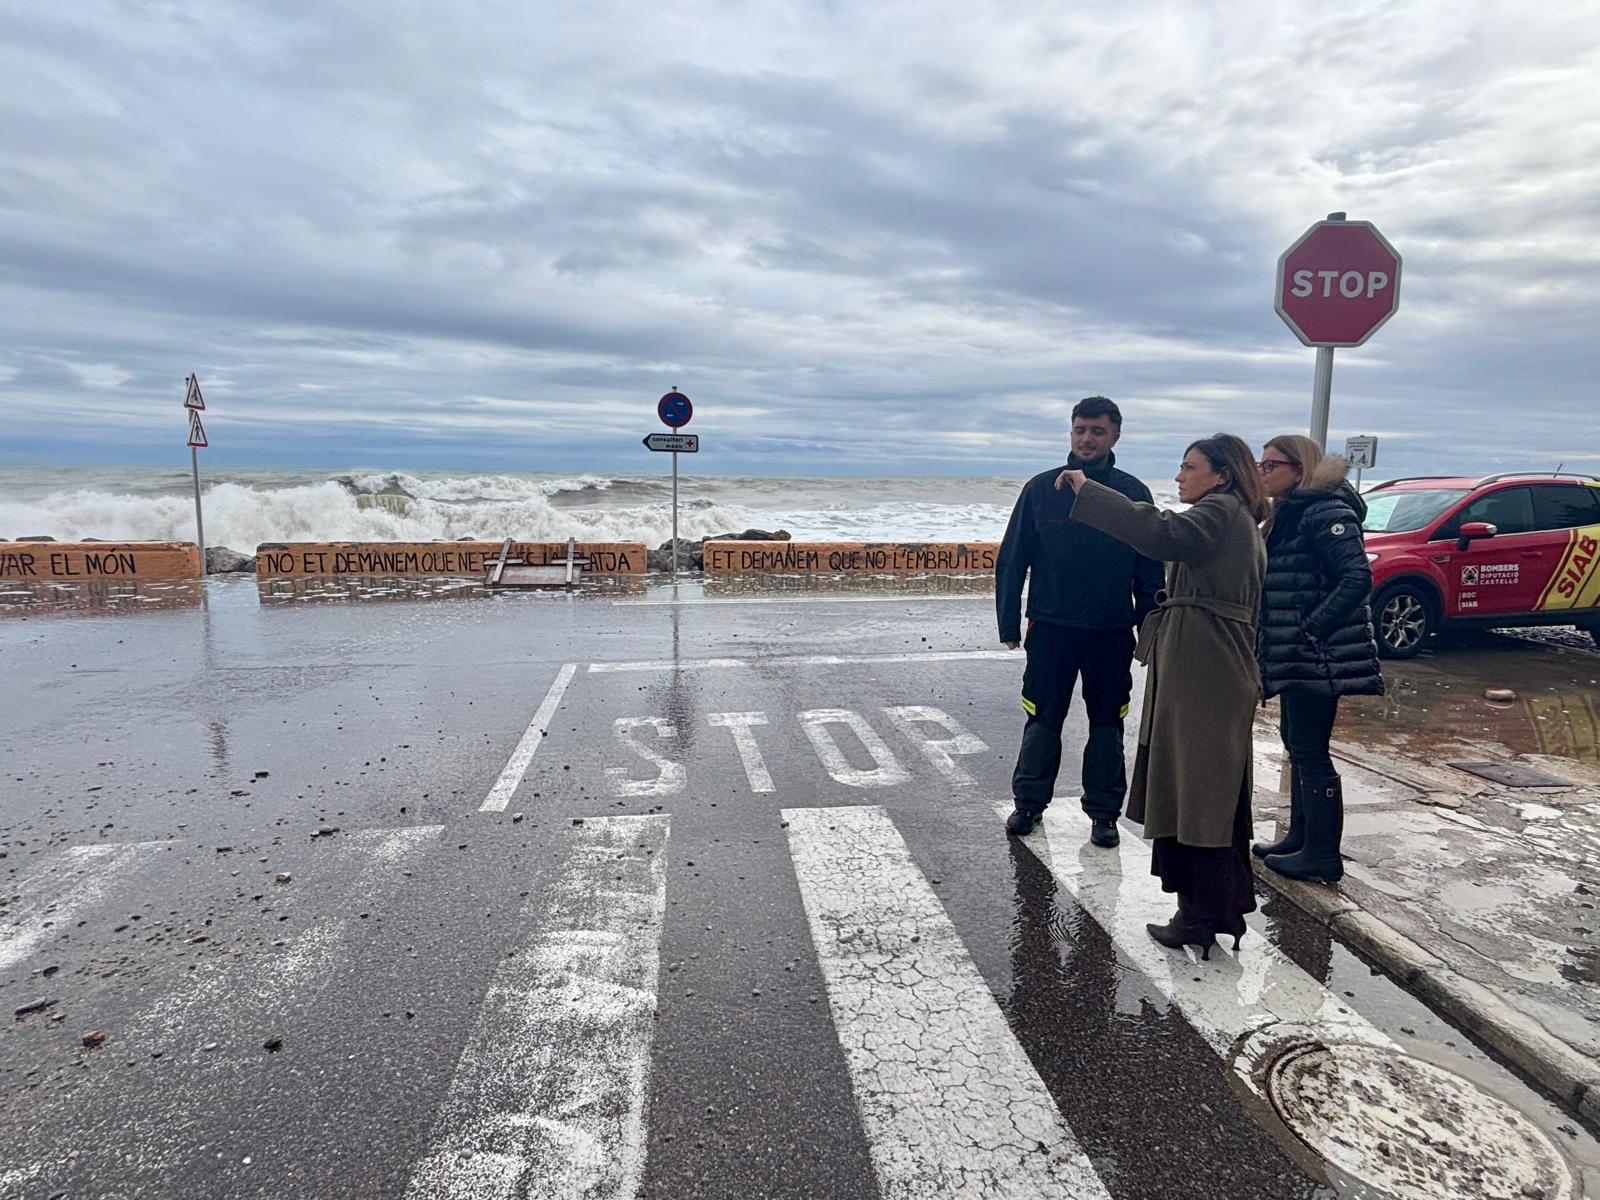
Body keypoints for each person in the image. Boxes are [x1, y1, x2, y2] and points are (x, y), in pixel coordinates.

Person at [1056, 434, 1267, 958]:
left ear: (1222, 474)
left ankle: (1201, 915)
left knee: (1199, 791)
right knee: (1201, 788)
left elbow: (1160, 532)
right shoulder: (1232, 514)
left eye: (1189, 467)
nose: (1179, 476)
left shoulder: (1220, 511)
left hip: (1208, 668)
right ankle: (1210, 910)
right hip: (1207, 662)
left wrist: (1091, 492)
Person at [996, 397, 1163, 847]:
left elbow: (1150, 567)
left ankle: (1104, 814)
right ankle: (1029, 804)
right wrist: (1008, 623)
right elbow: (1013, 557)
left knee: (1107, 722)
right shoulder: (1041, 489)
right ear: (1071, 432)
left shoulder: (1132, 491)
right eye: (1080, 430)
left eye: (1097, 431)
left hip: (1111, 630)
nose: (1087, 439)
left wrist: (1149, 630)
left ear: (1115, 436)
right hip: (1051, 626)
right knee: (1042, 718)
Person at [1252, 435, 1383, 883]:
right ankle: (1301, 837)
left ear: (1299, 469)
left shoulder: (1326, 511)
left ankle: (1323, 854)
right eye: (1261, 464)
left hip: (1317, 654)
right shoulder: (1293, 511)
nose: (1262, 472)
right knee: (1296, 742)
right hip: (1298, 654)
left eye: (1270, 465)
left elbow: (1356, 577)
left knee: (1310, 749)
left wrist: (1311, 628)